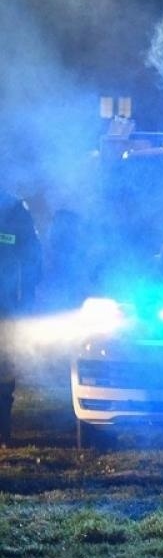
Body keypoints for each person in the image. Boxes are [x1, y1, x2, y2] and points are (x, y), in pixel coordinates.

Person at [0, 190, 42, 445]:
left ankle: (2, 430)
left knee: (3, 369)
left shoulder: (13, 209)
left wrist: (25, 297)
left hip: (4, 306)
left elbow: (32, 256)